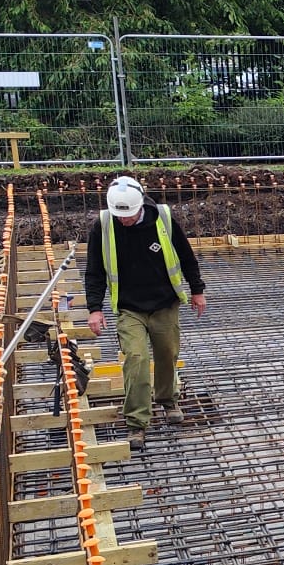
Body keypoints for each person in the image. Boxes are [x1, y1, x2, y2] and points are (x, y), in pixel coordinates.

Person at [85, 176, 206, 451]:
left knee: (166, 354)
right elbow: (94, 271)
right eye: (120, 216)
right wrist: (94, 309)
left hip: (164, 304)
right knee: (137, 359)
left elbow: (186, 255)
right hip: (130, 309)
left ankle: (168, 400)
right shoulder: (103, 225)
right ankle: (137, 423)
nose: (124, 220)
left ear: (141, 205)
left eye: (129, 215)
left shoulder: (162, 218)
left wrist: (197, 289)